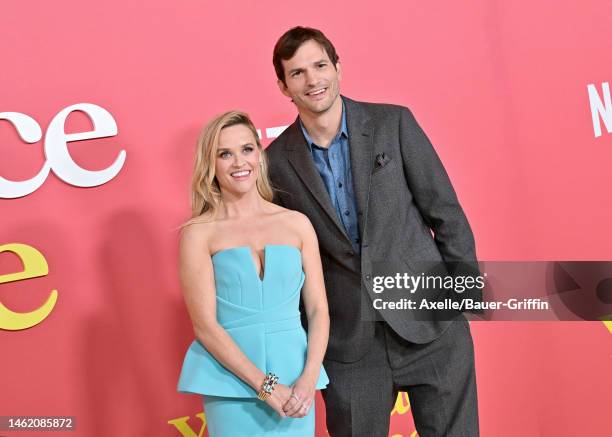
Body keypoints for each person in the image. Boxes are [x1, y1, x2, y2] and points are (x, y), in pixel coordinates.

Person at [266, 27, 481, 436]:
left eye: (320, 66)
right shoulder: (274, 163)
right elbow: (284, 265)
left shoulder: (392, 123)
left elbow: (446, 214)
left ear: (338, 68)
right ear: (283, 86)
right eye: (297, 73)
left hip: (432, 326)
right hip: (348, 345)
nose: (312, 80)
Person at [177, 110, 329, 436]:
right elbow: (205, 326)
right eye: (225, 154)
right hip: (233, 383)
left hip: (297, 380)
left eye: (247, 149)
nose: (239, 162)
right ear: (211, 164)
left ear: (259, 154)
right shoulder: (198, 234)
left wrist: (308, 379)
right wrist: (266, 387)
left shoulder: (296, 224)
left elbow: (318, 310)